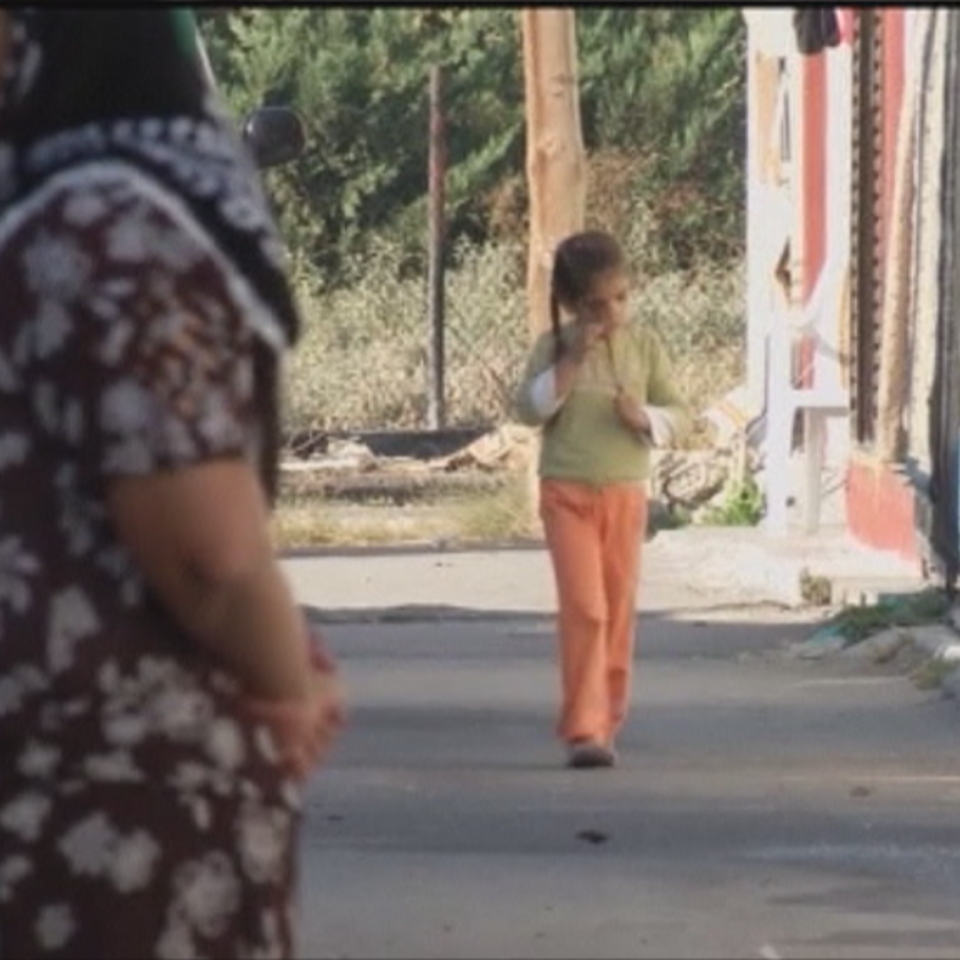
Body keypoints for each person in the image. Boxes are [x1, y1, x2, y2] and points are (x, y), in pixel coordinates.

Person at [0, 8, 344, 958]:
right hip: (111, 806)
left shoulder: (44, 216)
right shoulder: (110, 228)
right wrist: (290, 689)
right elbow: (210, 554)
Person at [516, 230, 690, 770]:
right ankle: (583, 728)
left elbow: (679, 413)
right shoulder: (553, 348)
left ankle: (607, 721)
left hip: (624, 492)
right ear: (572, 304)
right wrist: (570, 360)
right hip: (566, 490)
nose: (611, 312)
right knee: (585, 609)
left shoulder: (645, 347)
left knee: (616, 609)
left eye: (620, 297)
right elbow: (529, 408)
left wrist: (646, 420)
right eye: (596, 304)